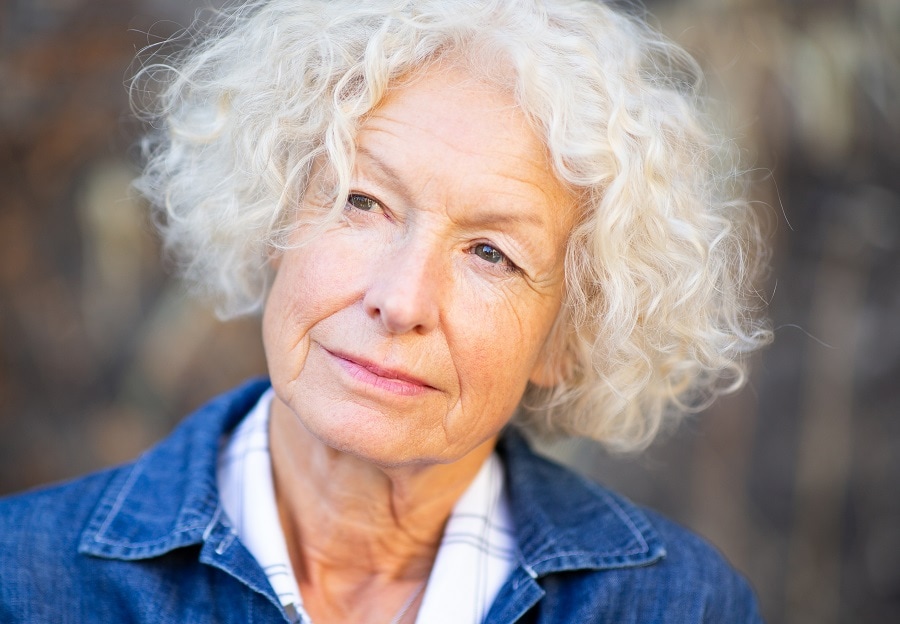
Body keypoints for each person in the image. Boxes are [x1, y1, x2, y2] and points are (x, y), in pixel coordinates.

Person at [0, 0, 772, 622]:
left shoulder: (677, 606)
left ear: (568, 338)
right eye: (360, 201)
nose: (400, 300)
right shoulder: (22, 579)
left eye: (491, 253)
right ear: (278, 220)